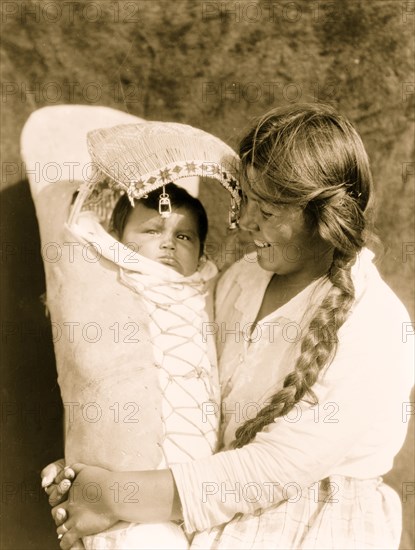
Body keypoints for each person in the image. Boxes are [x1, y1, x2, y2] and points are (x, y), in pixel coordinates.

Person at [47, 103, 414, 550]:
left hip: (316, 525)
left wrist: (117, 495)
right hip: (204, 505)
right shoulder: (241, 279)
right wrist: (94, 464)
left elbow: (273, 468)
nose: (243, 221)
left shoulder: (376, 324)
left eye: (268, 209)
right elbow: (174, 381)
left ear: (325, 218)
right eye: (245, 200)